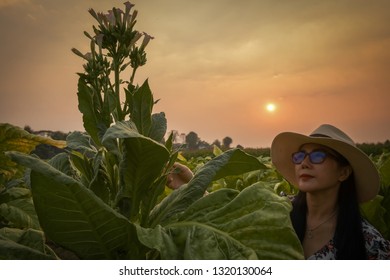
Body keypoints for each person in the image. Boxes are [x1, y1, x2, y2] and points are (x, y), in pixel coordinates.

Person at [271, 124, 390, 259]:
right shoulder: (278, 211)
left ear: (343, 173)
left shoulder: (370, 243)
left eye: (317, 156)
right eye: (300, 156)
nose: (304, 163)